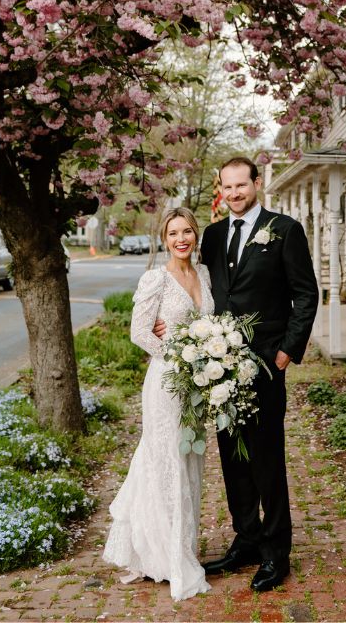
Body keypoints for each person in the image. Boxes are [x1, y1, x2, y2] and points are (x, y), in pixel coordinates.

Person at [154, 156, 319, 592]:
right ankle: (245, 540)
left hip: (265, 364)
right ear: (220, 189)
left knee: (266, 460)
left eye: (241, 186)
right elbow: (198, 288)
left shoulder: (285, 230)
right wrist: (167, 325)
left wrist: (286, 352)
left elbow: (306, 294)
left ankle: (275, 553)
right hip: (218, 367)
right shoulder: (211, 233)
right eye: (227, 187)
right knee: (234, 459)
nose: (234, 194)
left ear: (257, 184)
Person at [102, 207, 213, 602]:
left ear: (195, 234)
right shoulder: (156, 279)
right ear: (164, 239)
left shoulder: (203, 275)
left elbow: (209, 325)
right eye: (173, 233)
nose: (181, 239)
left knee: (189, 461)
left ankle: (179, 544)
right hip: (168, 383)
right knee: (165, 461)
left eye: (187, 231)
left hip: (198, 386)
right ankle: (164, 555)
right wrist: (177, 354)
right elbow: (139, 333)